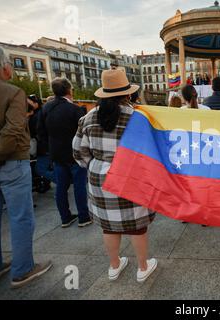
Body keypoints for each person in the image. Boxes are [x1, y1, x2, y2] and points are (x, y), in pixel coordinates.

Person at [73, 69, 157, 283]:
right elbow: (150, 149)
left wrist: (96, 166)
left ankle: (114, 266)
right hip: (132, 176)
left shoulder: (87, 118)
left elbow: (78, 152)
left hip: (100, 180)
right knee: (137, 226)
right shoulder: (138, 117)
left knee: (108, 225)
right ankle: (142, 267)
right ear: (127, 94)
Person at [0, 46, 52, 287]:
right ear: (5, 68)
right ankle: (23, 268)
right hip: (11, 162)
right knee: (21, 217)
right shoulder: (12, 93)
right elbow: (12, 131)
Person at [38, 78, 91, 228]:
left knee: (61, 187)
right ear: (69, 90)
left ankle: (65, 217)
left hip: (56, 153)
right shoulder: (75, 109)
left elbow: (40, 131)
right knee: (79, 185)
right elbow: (84, 133)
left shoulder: (46, 108)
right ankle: (83, 216)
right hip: (74, 153)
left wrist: (50, 147)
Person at [27, 94, 54, 193]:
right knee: (44, 167)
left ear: (36, 103)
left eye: (30, 102)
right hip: (44, 147)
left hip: (43, 147)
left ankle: (62, 180)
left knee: (40, 169)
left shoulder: (37, 115)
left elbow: (37, 132)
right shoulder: (39, 113)